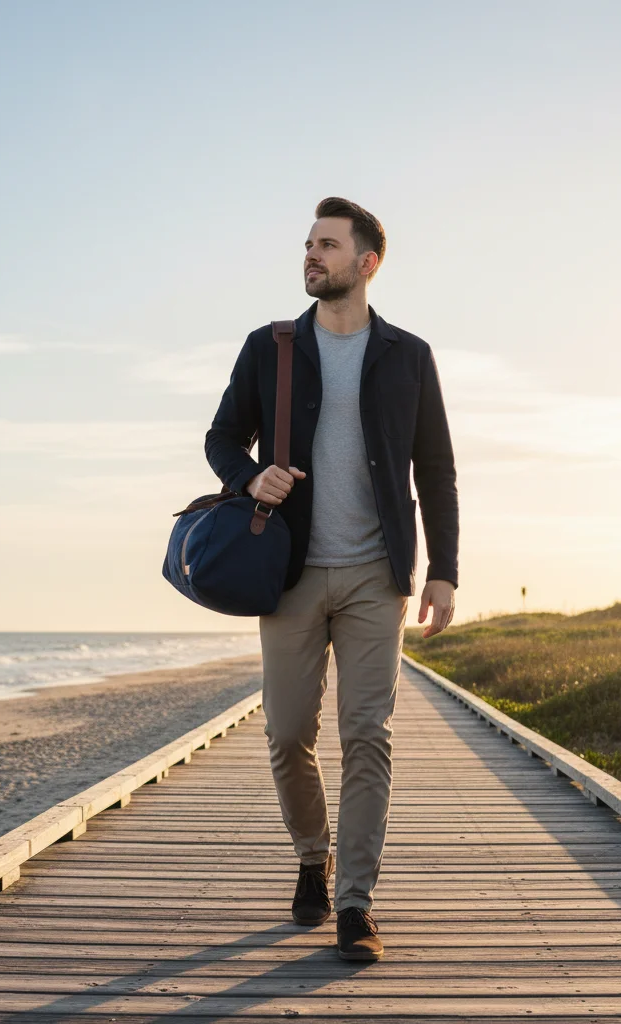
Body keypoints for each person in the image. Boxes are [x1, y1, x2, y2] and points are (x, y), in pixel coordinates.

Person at [204, 196, 459, 960]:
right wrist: (251, 480)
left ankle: (355, 903)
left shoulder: (408, 355)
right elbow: (221, 439)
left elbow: (437, 469)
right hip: (286, 574)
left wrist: (443, 571)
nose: (312, 255)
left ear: (367, 263)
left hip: (375, 578)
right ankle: (312, 856)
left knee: (367, 736)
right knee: (286, 737)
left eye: (328, 245)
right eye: (309, 244)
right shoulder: (270, 347)